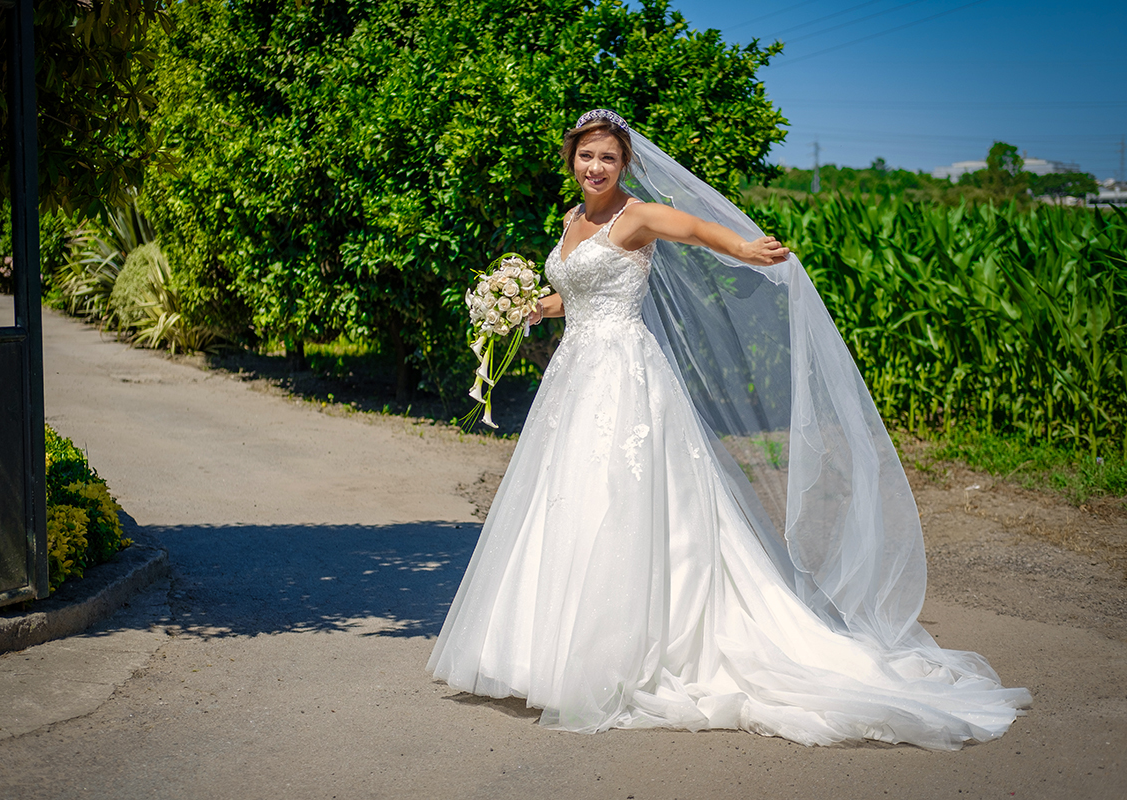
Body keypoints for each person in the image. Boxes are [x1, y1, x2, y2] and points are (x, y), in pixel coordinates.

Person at [427, 109, 1031, 749]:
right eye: (586, 156)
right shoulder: (576, 221)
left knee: (622, 502)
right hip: (576, 376)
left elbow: (695, 230)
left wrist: (746, 248)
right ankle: (543, 655)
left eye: (607, 157)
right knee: (565, 501)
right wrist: (525, 305)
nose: (596, 167)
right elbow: (576, 295)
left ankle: (616, 658)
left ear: (625, 163)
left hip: (624, 377)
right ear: (571, 160)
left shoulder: (638, 216)